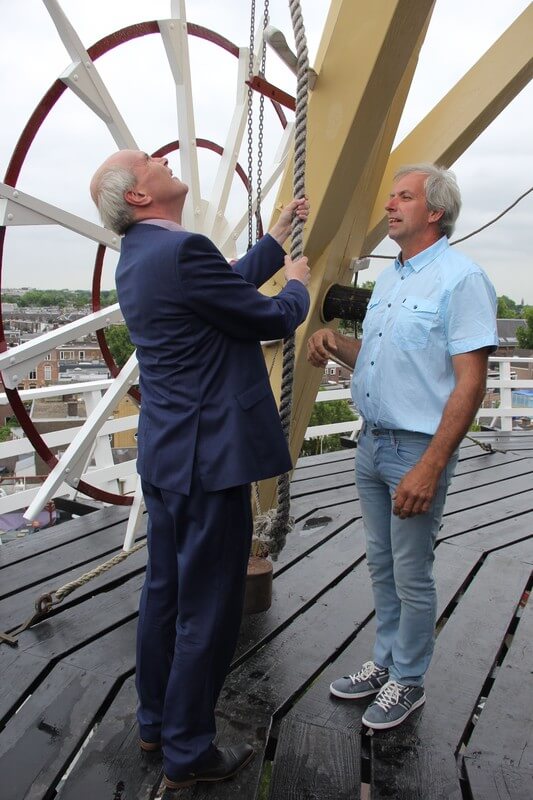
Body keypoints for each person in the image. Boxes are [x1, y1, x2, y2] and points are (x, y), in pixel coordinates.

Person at [90, 150, 310, 788]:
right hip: (212, 459)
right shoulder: (183, 253)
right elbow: (267, 316)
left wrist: (271, 241)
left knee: (165, 594)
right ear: (136, 196)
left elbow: (221, 286)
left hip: (167, 454)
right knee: (209, 609)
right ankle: (189, 751)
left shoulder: (144, 256)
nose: (159, 161)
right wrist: (295, 280)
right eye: (147, 163)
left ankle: (155, 721)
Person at [307, 163, 498, 730]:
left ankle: (408, 681)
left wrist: (432, 465)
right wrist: (334, 342)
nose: (390, 206)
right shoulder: (392, 278)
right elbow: (386, 351)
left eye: (404, 197)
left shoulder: (461, 279)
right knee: (383, 566)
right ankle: (386, 662)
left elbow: (471, 381)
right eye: (390, 196)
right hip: (372, 444)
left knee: (412, 572)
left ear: (434, 212)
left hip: (417, 449)